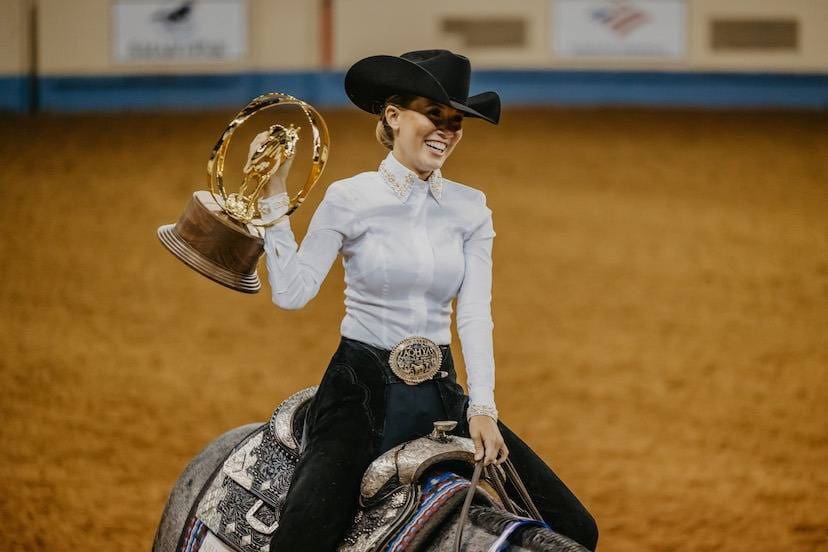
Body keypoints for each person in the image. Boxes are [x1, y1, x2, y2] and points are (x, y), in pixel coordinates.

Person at [253, 50, 598, 551]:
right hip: (357, 395)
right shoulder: (350, 198)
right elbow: (291, 292)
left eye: (456, 122)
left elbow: (475, 314)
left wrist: (483, 408)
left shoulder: (470, 208)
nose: (446, 130)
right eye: (433, 114)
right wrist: (272, 199)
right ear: (393, 116)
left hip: (442, 393)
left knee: (575, 527)